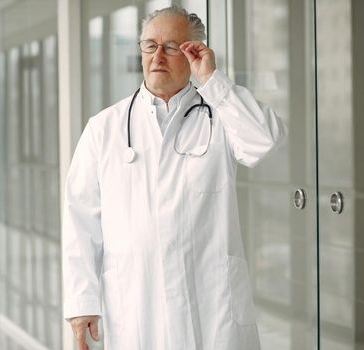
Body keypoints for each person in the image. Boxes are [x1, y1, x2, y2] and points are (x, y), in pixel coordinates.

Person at [62, 5, 285, 350]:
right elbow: (80, 221)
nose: (158, 56)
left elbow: (265, 142)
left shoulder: (220, 116)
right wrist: (82, 303)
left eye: (171, 47)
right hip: (137, 306)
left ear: (194, 52)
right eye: (150, 46)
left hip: (212, 308)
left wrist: (213, 81)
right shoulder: (104, 128)